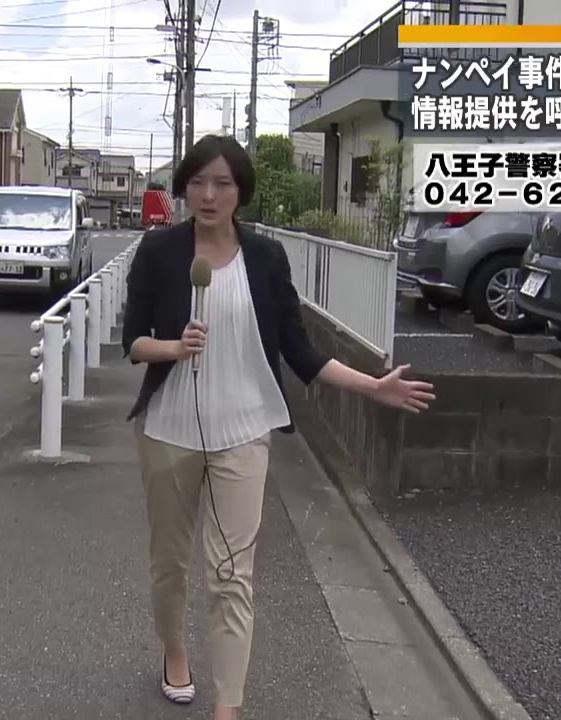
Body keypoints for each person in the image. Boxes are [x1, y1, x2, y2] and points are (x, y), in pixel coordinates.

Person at [121, 134, 437, 720]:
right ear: (185, 188)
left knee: (231, 574)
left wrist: (374, 386)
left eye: (222, 183)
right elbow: (132, 342)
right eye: (198, 182)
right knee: (169, 563)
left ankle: (227, 709)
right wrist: (173, 347)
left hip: (244, 433)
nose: (208, 195)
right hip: (168, 430)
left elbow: (300, 350)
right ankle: (175, 652)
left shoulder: (266, 258)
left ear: (241, 191)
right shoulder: (160, 251)